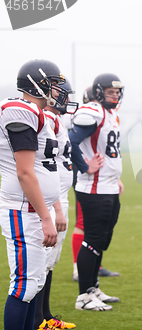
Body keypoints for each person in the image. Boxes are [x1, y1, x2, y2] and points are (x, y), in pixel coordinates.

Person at [0, 59, 62, 330]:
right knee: (24, 285)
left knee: (34, 283)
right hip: (24, 210)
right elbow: (25, 172)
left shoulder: (39, 114)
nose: (58, 90)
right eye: (53, 83)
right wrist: (46, 217)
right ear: (37, 83)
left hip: (33, 210)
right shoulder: (20, 109)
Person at [69, 73, 124, 311]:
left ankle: (93, 288)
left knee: (102, 239)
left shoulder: (111, 114)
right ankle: (83, 296)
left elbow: (108, 149)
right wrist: (84, 166)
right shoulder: (93, 110)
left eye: (118, 91)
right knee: (92, 240)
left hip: (108, 186)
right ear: (100, 92)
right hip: (94, 188)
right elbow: (70, 142)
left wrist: (116, 177)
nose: (116, 95)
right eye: (111, 91)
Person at [33, 80, 79, 329]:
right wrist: (58, 207)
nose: (63, 97)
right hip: (52, 200)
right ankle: (39, 319)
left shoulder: (56, 120)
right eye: (58, 92)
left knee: (50, 262)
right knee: (43, 261)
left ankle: (46, 315)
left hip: (59, 197)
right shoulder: (45, 120)